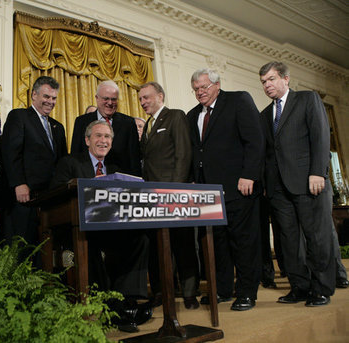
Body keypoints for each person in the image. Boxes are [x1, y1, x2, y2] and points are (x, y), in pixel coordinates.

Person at [52, 120, 151, 333]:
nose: (103, 141)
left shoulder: (115, 169)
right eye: (98, 136)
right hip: (79, 229)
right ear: (87, 140)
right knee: (91, 244)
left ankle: (126, 301)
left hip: (110, 229)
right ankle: (114, 308)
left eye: (107, 137)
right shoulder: (69, 163)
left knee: (139, 239)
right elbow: (57, 196)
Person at [259, 61, 337, 306]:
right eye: (263, 82)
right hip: (278, 188)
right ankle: (300, 287)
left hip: (307, 181)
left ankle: (322, 288)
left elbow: (320, 136)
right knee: (289, 241)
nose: (267, 85)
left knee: (316, 237)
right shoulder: (264, 115)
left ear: (286, 78)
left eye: (271, 79)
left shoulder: (307, 99)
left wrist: (318, 172)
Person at [187, 68, 264, 311]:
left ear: (217, 85)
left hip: (239, 186)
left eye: (204, 87)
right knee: (217, 243)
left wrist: (249, 175)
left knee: (243, 242)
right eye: (196, 89)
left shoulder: (238, 100)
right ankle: (222, 290)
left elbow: (255, 140)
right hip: (208, 192)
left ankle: (247, 292)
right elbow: (196, 152)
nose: (200, 92)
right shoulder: (192, 115)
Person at [138, 82, 199, 309]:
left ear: (160, 96)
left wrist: (176, 191)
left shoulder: (175, 116)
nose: (143, 102)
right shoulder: (147, 126)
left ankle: (190, 293)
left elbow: (183, 155)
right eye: (141, 99)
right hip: (152, 198)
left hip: (174, 195)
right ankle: (163, 292)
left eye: (147, 97)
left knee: (183, 246)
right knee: (158, 248)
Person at [1, 76, 67, 253]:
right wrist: (18, 183)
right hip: (25, 197)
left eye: (53, 98)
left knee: (44, 251)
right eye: (46, 97)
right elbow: (11, 152)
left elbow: (61, 162)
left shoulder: (58, 127)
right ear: (34, 95)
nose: (50, 102)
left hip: (49, 199)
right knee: (20, 249)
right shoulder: (19, 116)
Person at [70, 80, 141, 176]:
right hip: (88, 180)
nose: (110, 103)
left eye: (114, 99)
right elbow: (75, 155)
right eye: (106, 98)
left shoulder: (128, 123)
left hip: (120, 182)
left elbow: (134, 158)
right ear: (97, 98)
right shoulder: (81, 122)